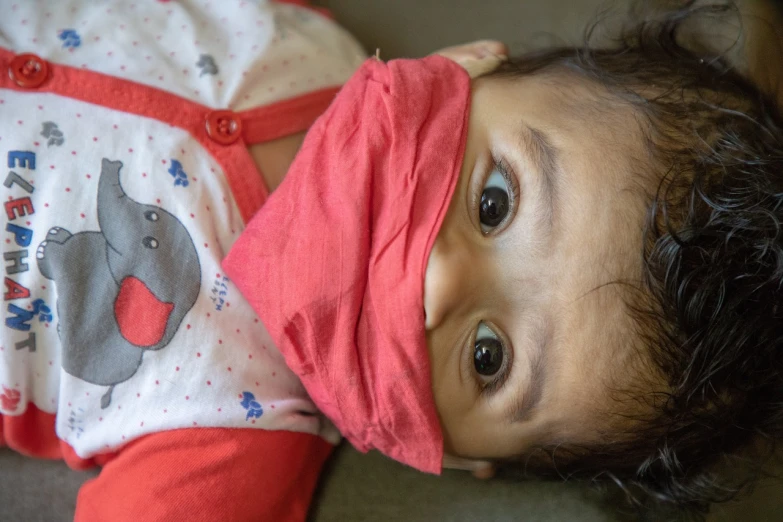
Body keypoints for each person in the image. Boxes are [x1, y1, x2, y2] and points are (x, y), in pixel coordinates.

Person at [1, 1, 780, 521]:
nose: (438, 283)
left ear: (448, 458)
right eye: (495, 202)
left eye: (488, 357)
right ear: (468, 64)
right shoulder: (301, 40)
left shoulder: (231, 440)